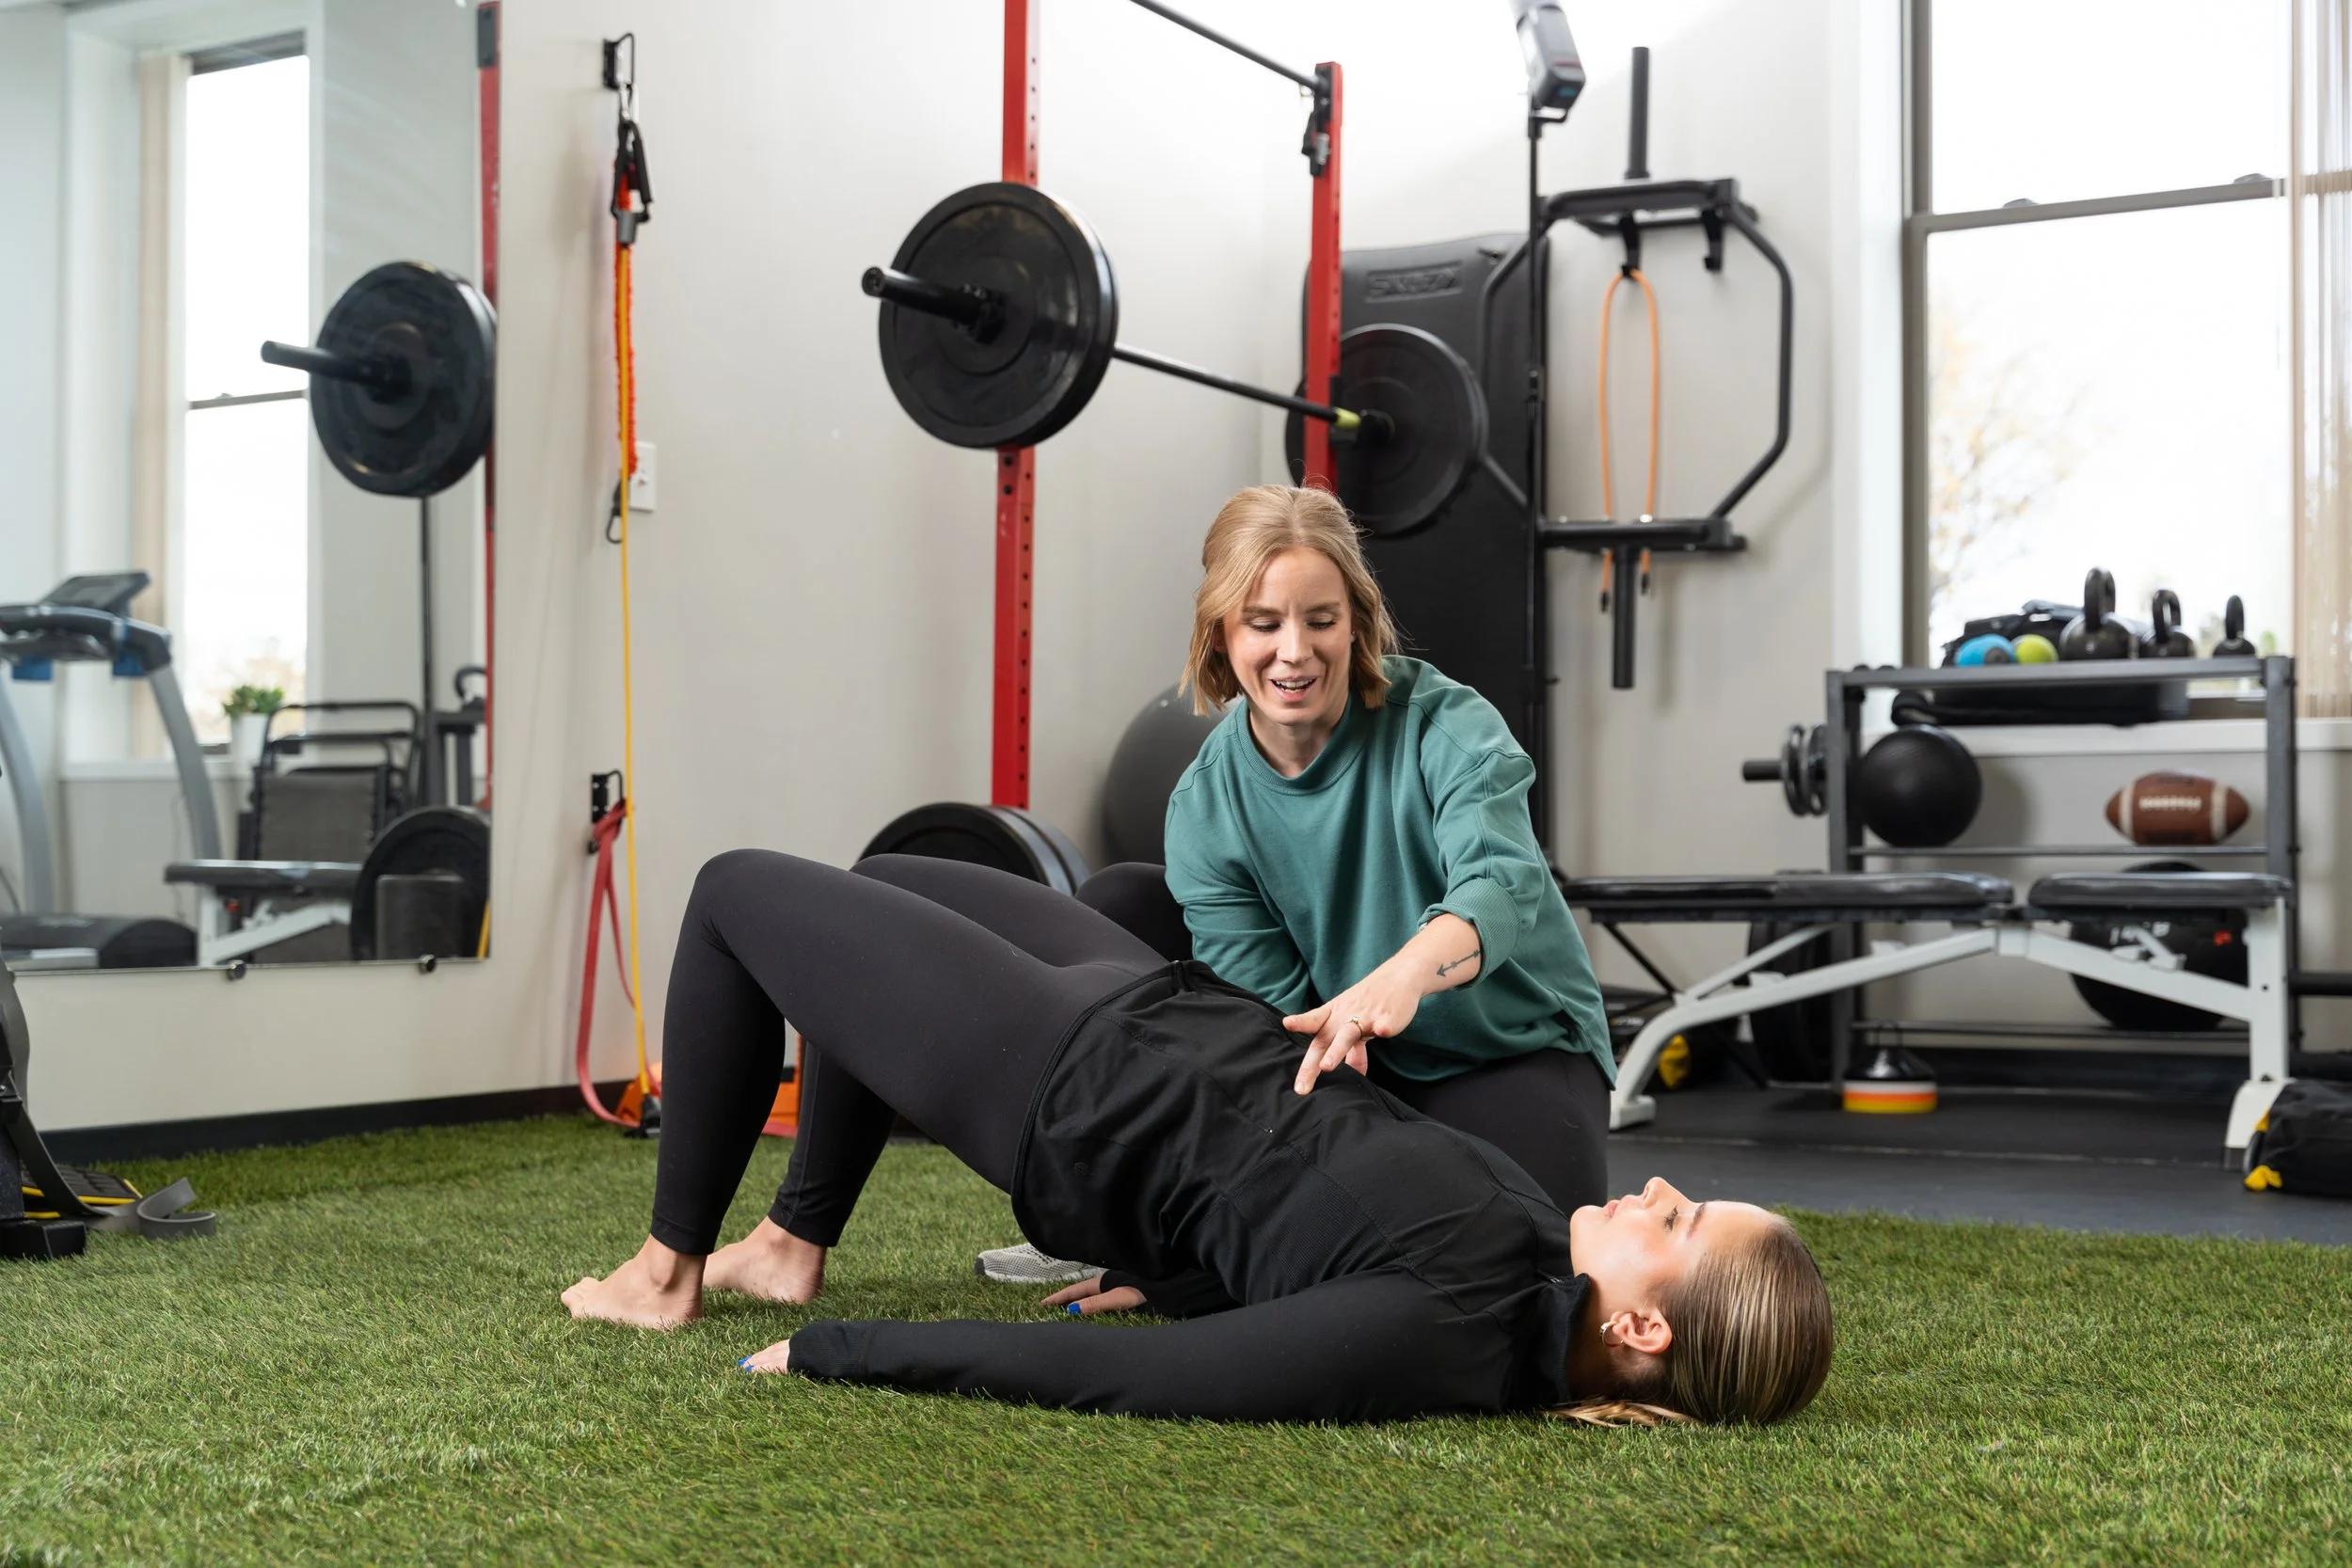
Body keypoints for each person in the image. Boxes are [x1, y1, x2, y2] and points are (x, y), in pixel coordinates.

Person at [563, 848, 1834, 1426]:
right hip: (1166, 1011)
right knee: (890, 868)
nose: (1657, 1186)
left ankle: (667, 1274)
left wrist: (852, 1351)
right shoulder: (1531, 1246)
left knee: (731, 892)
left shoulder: (1449, 1331)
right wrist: (1173, 1272)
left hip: (1075, 1088)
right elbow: (1323, 1212)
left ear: (1644, 1327)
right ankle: (790, 1241)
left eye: (1680, 1220)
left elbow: (1164, 1381)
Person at [974, 483, 1611, 1294]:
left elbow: (1500, 886)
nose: (1295, 651)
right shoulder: (1206, 803)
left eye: (1320, 619)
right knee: (1121, 904)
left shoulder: (1446, 724)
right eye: (1264, 623)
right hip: (1357, 1060)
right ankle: (1127, 1219)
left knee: (1537, 1272)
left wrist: (1402, 976)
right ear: (1221, 630)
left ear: (1357, 619)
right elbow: (1273, 1027)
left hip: (1511, 1046)